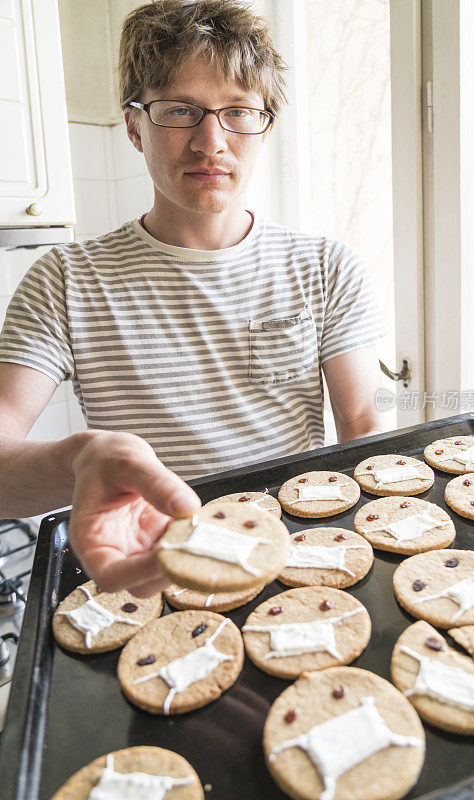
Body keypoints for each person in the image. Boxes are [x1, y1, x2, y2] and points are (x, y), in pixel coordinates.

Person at [0, 0, 385, 597]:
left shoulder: (326, 268)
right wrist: (75, 462)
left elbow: (361, 423)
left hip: (296, 568)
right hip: (147, 576)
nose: (211, 142)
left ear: (266, 126)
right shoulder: (65, 280)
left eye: (237, 111)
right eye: (180, 110)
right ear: (134, 126)